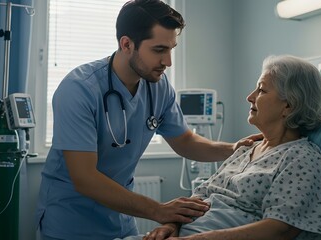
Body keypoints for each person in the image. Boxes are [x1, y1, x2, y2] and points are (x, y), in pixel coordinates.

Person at [35, 0, 261, 239]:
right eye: (159, 50)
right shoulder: (79, 89)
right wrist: (158, 210)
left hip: (120, 219)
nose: (168, 61)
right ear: (127, 44)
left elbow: (185, 140)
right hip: (71, 220)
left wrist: (235, 150)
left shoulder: (158, 86)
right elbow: (85, 178)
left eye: (171, 49)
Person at [141, 55, 321, 240]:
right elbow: (198, 199)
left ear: (289, 105)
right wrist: (170, 226)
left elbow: (280, 230)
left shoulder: (301, 158)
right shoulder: (245, 151)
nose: (250, 97)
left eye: (262, 90)